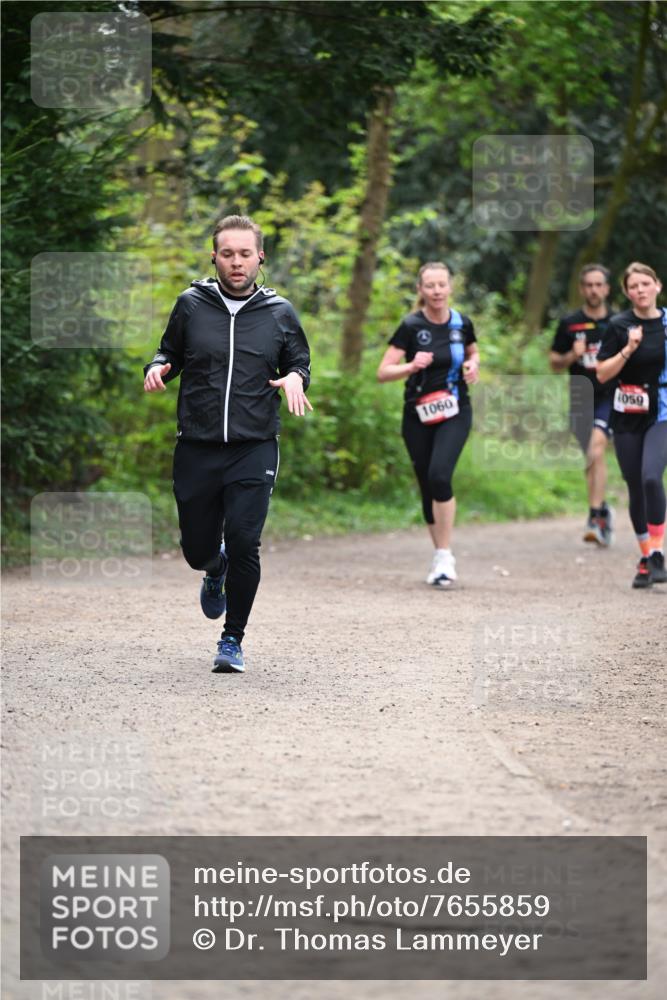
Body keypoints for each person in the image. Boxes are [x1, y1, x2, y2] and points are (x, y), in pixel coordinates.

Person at [143, 214, 312, 672]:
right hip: (197, 445)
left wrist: (297, 377)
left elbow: (299, 360)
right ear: (214, 257)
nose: (236, 263)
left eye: (244, 254)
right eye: (227, 254)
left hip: (253, 445)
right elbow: (170, 352)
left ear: (260, 257)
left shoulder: (279, 311)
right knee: (197, 549)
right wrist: (157, 368)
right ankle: (212, 570)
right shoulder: (192, 304)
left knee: (243, 541)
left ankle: (232, 639)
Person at [377, 261, 479, 587]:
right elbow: (383, 372)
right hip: (417, 414)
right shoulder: (411, 326)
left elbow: (473, 352)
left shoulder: (462, 324)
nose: (436, 291)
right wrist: (410, 366)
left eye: (441, 284)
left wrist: (473, 365)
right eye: (430, 285)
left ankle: (446, 554)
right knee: (426, 483)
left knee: (439, 474)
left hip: (454, 410)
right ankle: (439, 556)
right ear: (421, 290)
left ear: (450, 287)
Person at [597, 262, 667, 589]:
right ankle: (645, 558)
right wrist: (628, 349)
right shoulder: (618, 325)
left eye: (645, 283)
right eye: (633, 286)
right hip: (626, 414)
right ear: (626, 292)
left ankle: (656, 553)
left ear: (657, 286)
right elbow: (601, 373)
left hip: (662, 413)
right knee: (634, 485)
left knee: (651, 477)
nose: (640, 290)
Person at [549, 264, 615, 546]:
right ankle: (603, 511)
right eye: (589, 285)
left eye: (599, 285)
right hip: (580, 396)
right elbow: (553, 363)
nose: (594, 290)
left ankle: (593, 518)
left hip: (609, 397)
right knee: (590, 458)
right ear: (581, 289)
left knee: (596, 448)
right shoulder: (569, 323)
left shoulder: (618, 323)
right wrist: (569, 357)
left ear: (607, 289)